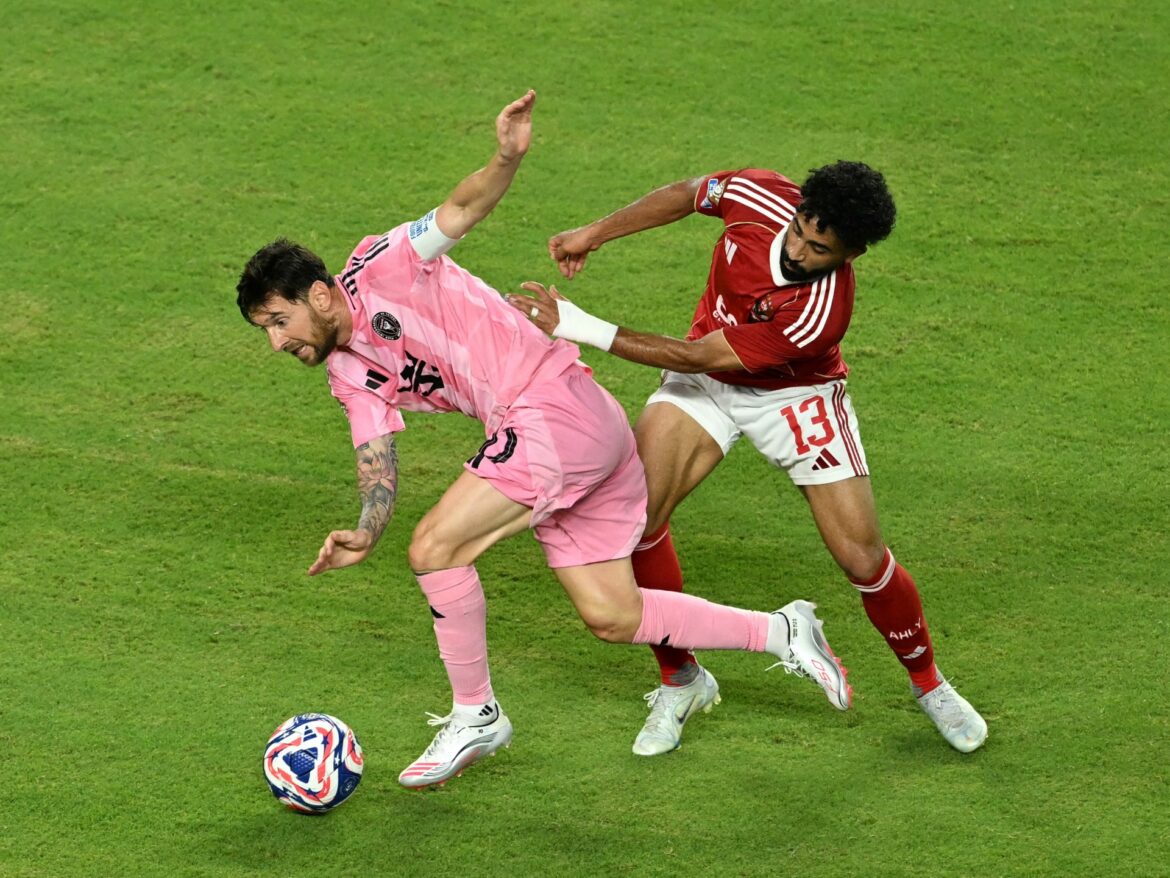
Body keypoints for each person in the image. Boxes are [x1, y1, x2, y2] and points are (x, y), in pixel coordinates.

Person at [235, 93, 854, 790]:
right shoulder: (347, 374)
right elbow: (376, 461)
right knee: (613, 615)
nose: (276, 341)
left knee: (435, 547)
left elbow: (461, 209)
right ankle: (781, 631)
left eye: (278, 321)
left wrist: (506, 157)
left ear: (319, 296)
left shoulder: (383, 264)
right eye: (266, 330)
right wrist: (364, 530)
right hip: (574, 428)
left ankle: (476, 714)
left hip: (548, 406)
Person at [509, 162, 988, 755]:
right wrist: (594, 233)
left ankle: (929, 684)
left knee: (862, 558)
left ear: (853, 254)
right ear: (798, 207)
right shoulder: (758, 194)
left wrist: (577, 324)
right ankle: (681, 678)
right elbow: (687, 194)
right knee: (636, 520)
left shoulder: (821, 311)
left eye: (820, 250)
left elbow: (694, 356)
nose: (798, 252)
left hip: (792, 395)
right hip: (708, 380)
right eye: (800, 231)